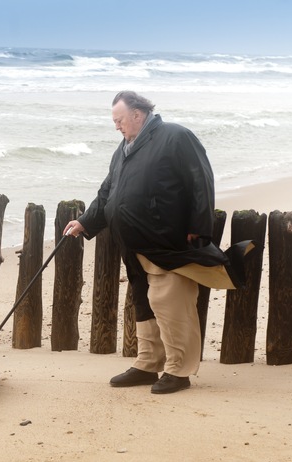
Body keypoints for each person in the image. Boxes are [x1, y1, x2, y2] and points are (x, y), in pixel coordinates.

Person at [64, 91, 218, 395]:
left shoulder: (176, 137)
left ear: (138, 114)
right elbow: (108, 192)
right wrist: (86, 221)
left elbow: (201, 180)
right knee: (144, 301)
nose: (117, 126)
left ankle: (179, 370)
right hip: (133, 243)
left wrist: (198, 227)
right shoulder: (123, 148)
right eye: (114, 121)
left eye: (119, 120)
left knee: (169, 302)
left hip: (167, 239)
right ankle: (149, 363)